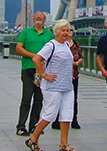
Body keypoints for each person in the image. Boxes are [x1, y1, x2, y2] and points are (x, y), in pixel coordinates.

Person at [24, 20, 77, 151]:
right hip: (53, 86)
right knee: (50, 114)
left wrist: (70, 74)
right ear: (56, 32)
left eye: (68, 30)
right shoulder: (51, 45)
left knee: (67, 115)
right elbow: (36, 59)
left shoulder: (66, 45)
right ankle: (33, 139)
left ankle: (64, 144)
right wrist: (43, 75)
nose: (66, 33)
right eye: (63, 30)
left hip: (67, 86)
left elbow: (69, 61)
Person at [16, 11, 54, 136]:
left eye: (41, 17)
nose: (38, 18)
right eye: (37, 17)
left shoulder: (48, 34)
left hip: (43, 72)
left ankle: (34, 126)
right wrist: (34, 56)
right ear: (33, 19)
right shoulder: (26, 32)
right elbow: (19, 48)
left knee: (39, 99)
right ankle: (21, 126)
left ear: (44, 20)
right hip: (28, 69)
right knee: (27, 98)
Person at [51, 31, 83, 130]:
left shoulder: (76, 44)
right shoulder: (59, 45)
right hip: (61, 75)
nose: (68, 33)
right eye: (65, 30)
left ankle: (73, 120)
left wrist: (75, 64)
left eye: (70, 30)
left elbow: (81, 57)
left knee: (73, 98)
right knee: (59, 97)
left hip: (74, 75)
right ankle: (56, 120)